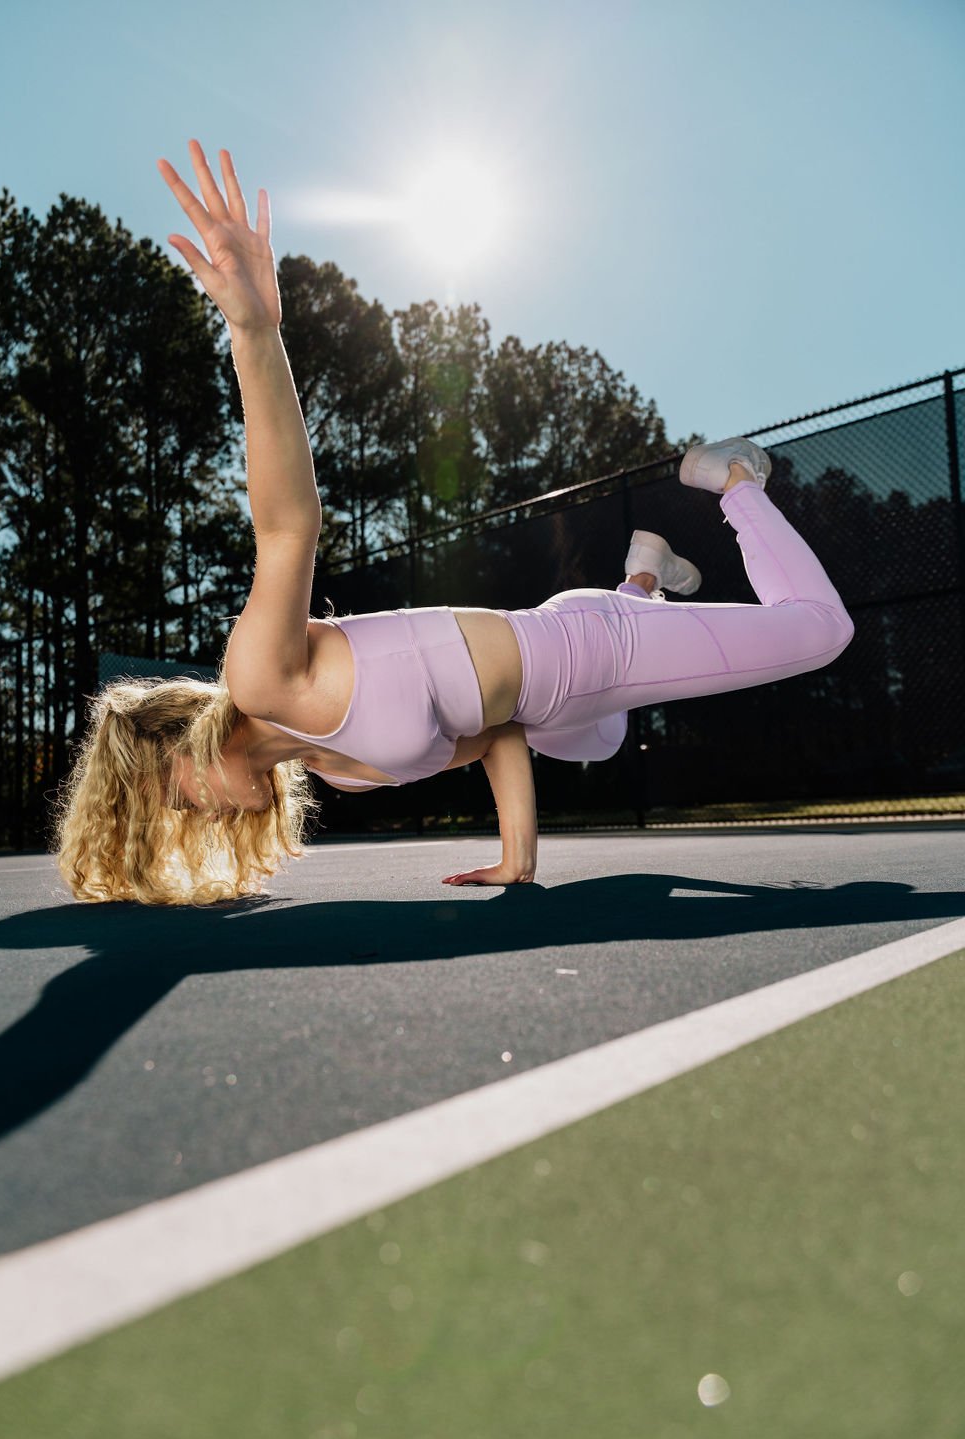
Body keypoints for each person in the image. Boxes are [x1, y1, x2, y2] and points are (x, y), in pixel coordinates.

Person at [53, 141, 854, 906]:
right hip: (554, 706)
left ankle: (732, 479)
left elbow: (287, 524)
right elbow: (500, 733)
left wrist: (255, 334)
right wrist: (519, 861)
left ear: (179, 749)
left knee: (820, 631)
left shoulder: (263, 677)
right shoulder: (340, 769)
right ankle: (642, 578)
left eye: (182, 802)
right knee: (604, 740)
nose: (209, 817)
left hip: (580, 652)